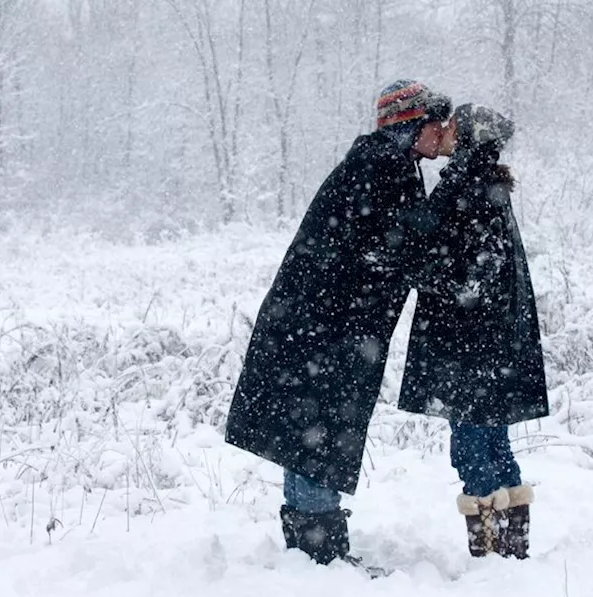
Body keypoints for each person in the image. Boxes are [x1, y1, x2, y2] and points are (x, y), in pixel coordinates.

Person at [224, 79, 454, 568]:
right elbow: (407, 249)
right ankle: (317, 554)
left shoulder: (384, 164)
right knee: (317, 427)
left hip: (321, 323)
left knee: (311, 427)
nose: (443, 133)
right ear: (413, 124)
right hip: (325, 327)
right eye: (436, 123)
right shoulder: (383, 169)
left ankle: (311, 550)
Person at [398, 103, 549, 559]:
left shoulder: (467, 187)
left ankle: (489, 549)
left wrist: (421, 271)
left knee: (471, 446)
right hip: (489, 342)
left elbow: (472, 271)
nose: (444, 130)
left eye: (454, 125)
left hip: (467, 342)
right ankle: (511, 542)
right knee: (493, 440)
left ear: (469, 138)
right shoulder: (487, 184)